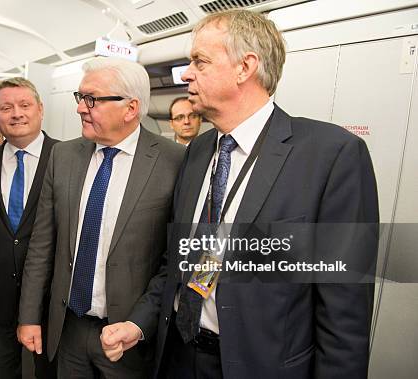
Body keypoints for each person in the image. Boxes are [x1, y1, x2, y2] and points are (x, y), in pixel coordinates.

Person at [100, 10, 379, 379]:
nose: (186, 73)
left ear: (245, 67)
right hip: (176, 357)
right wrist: (140, 323)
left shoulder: (332, 156)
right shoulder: (198, 152)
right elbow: (181, 262)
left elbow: (344, 315)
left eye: (199, 61)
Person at [17, 57, 184, 378]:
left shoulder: (174, 162)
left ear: (131, 108)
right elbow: (42, 245)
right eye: (80, 98)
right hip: (67, 328)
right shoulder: (63, 156)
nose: (81, 108)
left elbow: (172, 259)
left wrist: (139, 324)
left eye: (91, 99)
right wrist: (29, 316)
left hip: (128, 337)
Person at [0, 78, 59, 378]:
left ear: (40, 109)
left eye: (24, 105)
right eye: (6, 108)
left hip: (52, 302)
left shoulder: (70, 159)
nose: (16, 114)